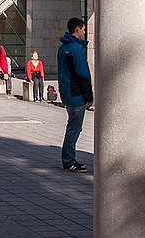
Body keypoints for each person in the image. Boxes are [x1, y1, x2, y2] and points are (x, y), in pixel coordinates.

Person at [57, 17, 93, 173]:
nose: (84, 31)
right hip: (76, 93)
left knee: (73, 126)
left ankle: (69, 158)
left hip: (68, 92)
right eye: (83, 28)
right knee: (74, 128)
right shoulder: (75, 49)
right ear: (77, 29)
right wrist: (89, 96)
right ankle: (68, 160)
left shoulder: (64, 47)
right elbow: (82, 74)